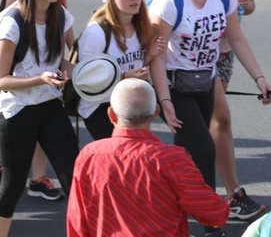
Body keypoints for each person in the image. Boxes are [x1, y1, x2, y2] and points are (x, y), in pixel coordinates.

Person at [149, 0, 271, 237]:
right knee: (204, 149)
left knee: (182, 154)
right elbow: (155, 54)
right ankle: (212, 226)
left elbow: (236, 38)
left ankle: (160, 206)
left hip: (204, 80)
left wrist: (260, 78)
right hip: (173, 83)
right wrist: (164, 101)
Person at [177, 0, 264, 220]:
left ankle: (190, 188)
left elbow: (250, 5)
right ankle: (231, 193)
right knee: (219, 120)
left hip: (224, 51)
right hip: (193, 57)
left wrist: (244, 1)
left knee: (205, 123)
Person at [0, 0, 80, 237]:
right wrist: (40, 78)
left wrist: (71, 71)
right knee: (12, 187)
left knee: (76, 180)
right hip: (17, 111)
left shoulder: (61, 15)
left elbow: (70, 57)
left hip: (49, 106)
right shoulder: (13, 24)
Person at [67, 78, 229, 236]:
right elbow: (214, 213)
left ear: (112, 115)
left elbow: (77, 219)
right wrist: (226, 204)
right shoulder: (172, 159)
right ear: (155, 112)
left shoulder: (89, 155)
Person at [75, 0, 165, 140]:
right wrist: (123, 77)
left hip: (129, 102)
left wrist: (149, 57)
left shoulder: (141, 27)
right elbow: (86, 80)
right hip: (100, 107)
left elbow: (133, 65)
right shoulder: (96, 33)